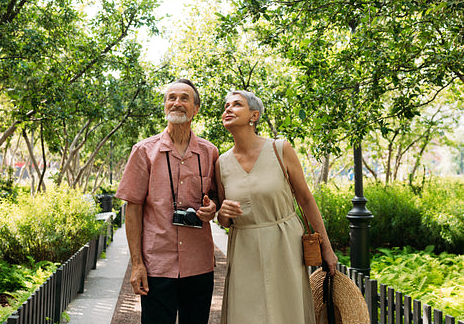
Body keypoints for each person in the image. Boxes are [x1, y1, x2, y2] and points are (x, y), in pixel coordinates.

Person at [215, 90, 338, 324]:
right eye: (226, 105)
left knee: (287, 312)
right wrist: (223, 214)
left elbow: (306, 200)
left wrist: (327, 248)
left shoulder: (280, 149)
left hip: (285, 245)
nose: (228, 109)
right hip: (243, 249)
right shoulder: (221, 163)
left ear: (254, 115)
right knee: (245, 314)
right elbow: (224, 219)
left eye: (236, 104)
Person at [115, 79, 219, 324]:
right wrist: (137, 264)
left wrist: (212, 207)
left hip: (199, 264)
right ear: (164, 106)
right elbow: (133, 210)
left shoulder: (209, 152)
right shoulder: (144, 151)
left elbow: (216, 198)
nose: (177, 103)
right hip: (157, 264)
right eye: (171, 98)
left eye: (185, 98)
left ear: (196, 109)